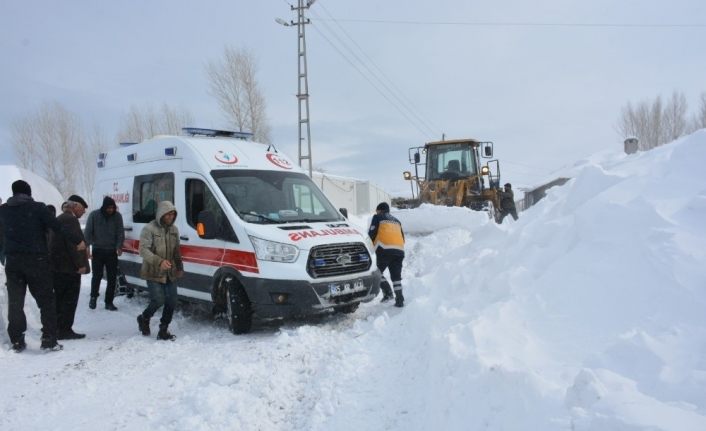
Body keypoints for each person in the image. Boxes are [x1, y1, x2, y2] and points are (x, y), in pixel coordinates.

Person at [0, 180, 86, 352]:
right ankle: (49, 339)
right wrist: (78, 240)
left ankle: (17, 340)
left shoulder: (3, 210)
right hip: (36, 262)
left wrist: (5, 257)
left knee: (15, 303)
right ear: (29, 192)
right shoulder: (38, 208)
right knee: (46, 301)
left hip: (14, 262)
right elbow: (58, 227)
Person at [136, 201, 183, 340]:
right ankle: (144, 318)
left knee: (172, 301)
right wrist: (159, 261)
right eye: (168, 214)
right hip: (153, 271)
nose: (171, 217)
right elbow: (143, 250)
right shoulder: (149, 229)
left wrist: (180, 267)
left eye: (173, 214)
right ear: (161, 214)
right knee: (158, 300)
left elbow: (176, 251)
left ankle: (163, 329)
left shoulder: (174, 230)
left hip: (170, 271)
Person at [49, 196, 90, 340]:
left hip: (58, 267)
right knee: (69, 300)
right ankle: (64, 329)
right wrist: (81, 265)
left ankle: (57, 328)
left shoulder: (61, 218)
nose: (83, 212)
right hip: (68, 268)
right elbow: (75, 246)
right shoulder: (70, 220)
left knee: (59, 299)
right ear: (76, 206)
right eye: (83, 209)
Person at [84, 196, 125, 311]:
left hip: (112, 252)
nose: (111, 210)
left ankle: (109, 302)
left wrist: (119, 246)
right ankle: (93, 297)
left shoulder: (117, 217)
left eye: (113, 208)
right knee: (97, 276)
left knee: (112, 278)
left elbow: (120, 232)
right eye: (108, 208)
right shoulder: (94, 215)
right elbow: (88, 232)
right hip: (98, 250)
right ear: (104, 207)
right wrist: (87, 247)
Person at [368, 202, 405, 307]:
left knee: (376, 273)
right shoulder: (397, 221)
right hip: (399, 251)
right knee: (396, 277)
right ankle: (400, 300)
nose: (376, 212)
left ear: (380, 210)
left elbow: (372, 233)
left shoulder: (377, 217)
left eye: (377, 211)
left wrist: (369, 248)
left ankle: (388, 293)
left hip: (384, 249)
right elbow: (402, 237)